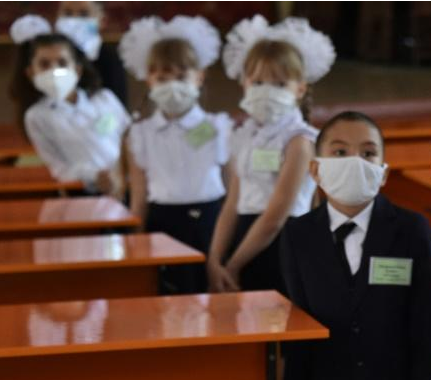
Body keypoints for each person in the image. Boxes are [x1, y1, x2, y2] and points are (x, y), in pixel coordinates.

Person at [280, 111, 431, 380]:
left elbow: (428, 326)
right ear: (316, 169)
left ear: (383, 172)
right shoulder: (298, 234)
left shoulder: (411, 229)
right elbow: (299, 329)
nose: (355, 161)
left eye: (368, 153)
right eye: (340, 151)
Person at [207, 15, 335, 293]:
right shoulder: (246, 135)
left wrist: (233, 265)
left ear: (299, 88)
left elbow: (275, 216)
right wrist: (215, 258)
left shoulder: (299, 142)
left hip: (281, 243)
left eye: (279, 84)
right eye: (257, 82)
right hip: (244, 241)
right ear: (244, 83)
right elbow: (232, 202)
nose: (266, 91)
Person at [120, 16, 230, 294]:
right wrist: (136, 236)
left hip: (212, 221)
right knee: (172, 297)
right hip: (163, 223)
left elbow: (231, 186)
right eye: (162, 77)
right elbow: (139, 194)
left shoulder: (218, 126)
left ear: (199, 76)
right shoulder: (140, 133)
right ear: (148, 80)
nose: (172, 85)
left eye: (181, 76)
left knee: (212, 294)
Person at [9, 14, 129, 195]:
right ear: (30, 72)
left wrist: (122, 175)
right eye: (44, 64)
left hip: (126, 185)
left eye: (62, 62)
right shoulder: (36, 116)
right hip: (83, 193)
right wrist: (96, 176)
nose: (55, 70)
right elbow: (58, 168)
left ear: (78, 69)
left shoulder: (104, 98)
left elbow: (129, 138)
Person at [56, 1, 129, 106]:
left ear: (102, 21)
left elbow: (117, 107)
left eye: (84, 14)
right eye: (68, 14)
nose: (74, 21)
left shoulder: (109, 59)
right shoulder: (49, 56)